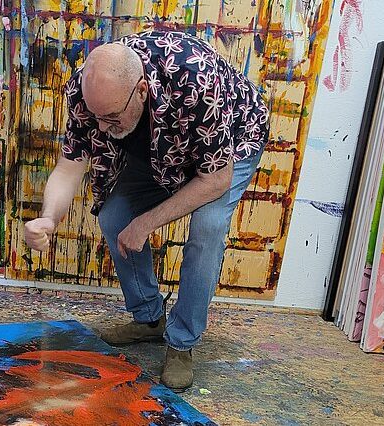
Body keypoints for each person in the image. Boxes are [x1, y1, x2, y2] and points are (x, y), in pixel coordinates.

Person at [24, 30, 269, 392]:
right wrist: (49, 217)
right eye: (96, 117)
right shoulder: (86, 90)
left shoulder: (195, 80)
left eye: (110, 117)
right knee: (114, 216)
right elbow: (70, 166)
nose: (101, 128)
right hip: (159, 147)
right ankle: (149, 319)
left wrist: (147, 223)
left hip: (229, 145)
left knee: (207, 229)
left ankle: (181, 342)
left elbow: (215, 180)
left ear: (141, 90)